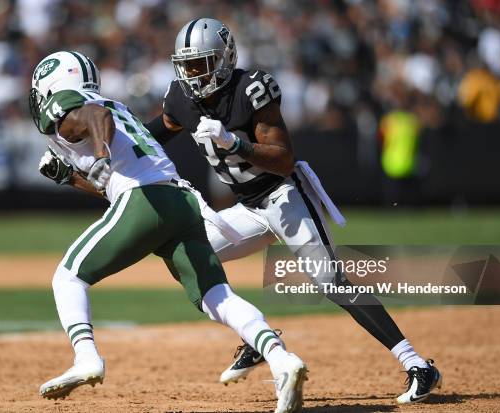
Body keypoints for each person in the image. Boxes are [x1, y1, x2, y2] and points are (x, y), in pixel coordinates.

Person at [143, 18, 442, 404]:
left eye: (201, 63)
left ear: (224, 59)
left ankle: (418, 365)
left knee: (331, 282)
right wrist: (94, 148)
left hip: (285, 196)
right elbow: (151, 135)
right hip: (248, 207)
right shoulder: (181, 99)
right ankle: (254, 336)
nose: (193, 74)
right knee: (187, 254)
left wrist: (235, 142)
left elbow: (283, 160)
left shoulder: (251, 89)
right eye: (188, 65)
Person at [29, 50, 308, 413]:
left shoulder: (71, 105)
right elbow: (110, 182)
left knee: (67, 278)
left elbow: (97, 123)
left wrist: (97, 158)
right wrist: (72, 176)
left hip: (146, 198)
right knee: (216, 297)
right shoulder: (113, 105)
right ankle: (280, 358)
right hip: (181, 200)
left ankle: (86, 358)